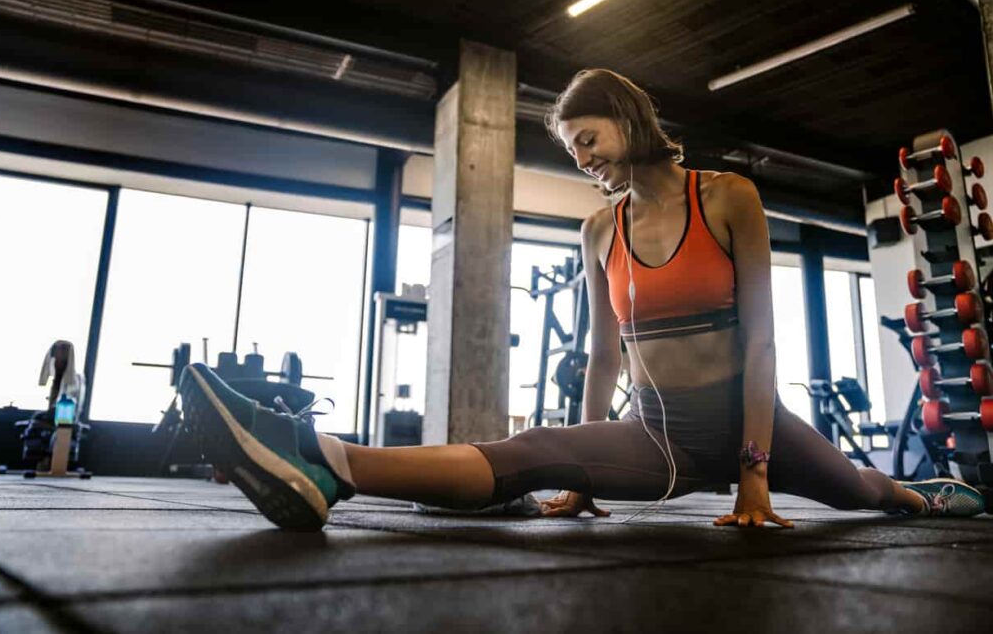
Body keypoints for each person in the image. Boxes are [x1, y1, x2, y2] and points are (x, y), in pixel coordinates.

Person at [178, 69, 985, 531]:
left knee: (870, 493)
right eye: (573, 152)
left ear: (627, 119)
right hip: (659, 438)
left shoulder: (729, 197)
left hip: (752, 423)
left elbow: (764, 347)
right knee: (532, 450)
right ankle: (327, 462)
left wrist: (754, 476)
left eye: (588, 140)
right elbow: (603, 354)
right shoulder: (599, 229)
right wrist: (589, 466)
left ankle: (937, 491)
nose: (584, 160)